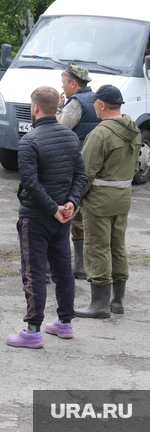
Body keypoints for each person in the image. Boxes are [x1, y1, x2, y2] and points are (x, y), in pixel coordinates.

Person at [6, 87, 87, 349]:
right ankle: (65, 323)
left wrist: (54, 208)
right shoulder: (71, 137)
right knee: (63, 270)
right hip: (62, 217)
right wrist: (70, 204)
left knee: (34, 272)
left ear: (35, 108)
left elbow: (30, 182)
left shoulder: (30, 141)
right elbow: (80, 176)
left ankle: (32, 331)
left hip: (37, 217)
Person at [75, 85, 141, 319]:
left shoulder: (100, 133)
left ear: (101, 105)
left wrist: (74, 199)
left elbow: (86, 173)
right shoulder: (133, 129)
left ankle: (99, 305)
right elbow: (136, 166)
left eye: (95, 102)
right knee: (117, 246)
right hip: (122, 198)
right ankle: (117, 301)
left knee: (97, 247)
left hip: (99, 201)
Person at [56, 62, 99, 279]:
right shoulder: (96, 100)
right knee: (85, 216)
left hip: (76, 166)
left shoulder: (75, 103)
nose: (62, 86)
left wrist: (58, 108)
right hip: (96, 166)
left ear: (73, 82)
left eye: (64, 82)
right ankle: (82, 266)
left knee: (71, 213)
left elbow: (59, 129)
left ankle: (77, 266)